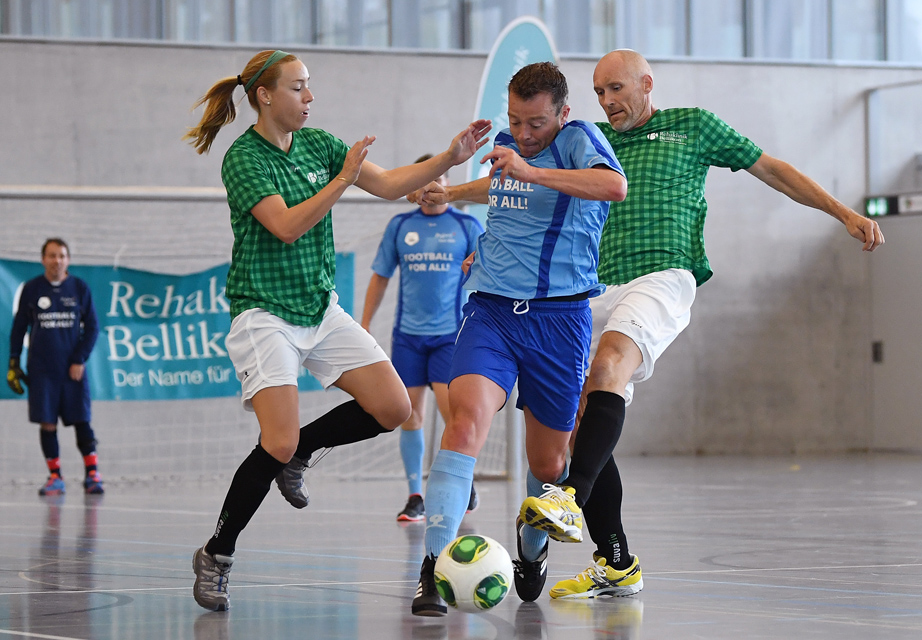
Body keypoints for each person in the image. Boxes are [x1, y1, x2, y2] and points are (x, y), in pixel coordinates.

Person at [520, 49, 885, 600]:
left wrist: (845, 214)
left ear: (646, 83)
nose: (607, 101)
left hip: (662, 276)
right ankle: (616, 561)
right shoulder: (590, 141)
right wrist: (455, 197)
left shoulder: (692, 125)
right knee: (575, 420)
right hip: (594, 286)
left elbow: (774, 170)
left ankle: (567, 497)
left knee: (608, 365)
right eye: (598, 93)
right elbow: (522, 185)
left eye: (615, 89)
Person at [182, 49, 490, 612]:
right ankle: (217, 553)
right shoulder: (243, 159)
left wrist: (450, 154)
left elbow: (394, 184)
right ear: (266, 96)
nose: (310, 97)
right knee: (276, 438)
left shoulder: (320, 143)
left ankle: (303, 455)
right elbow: (286, 226)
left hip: (318, 308)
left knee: (394, 408)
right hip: (264, 313)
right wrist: (343, 179)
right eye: (299, 88)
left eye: (310, 86)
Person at [408, 61, 627, 617]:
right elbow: (500, 186)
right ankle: (431, 571)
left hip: (559, 322)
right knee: (464, 422)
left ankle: (532, 553)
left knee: (549, 465)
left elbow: (613, 186)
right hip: (492, 313)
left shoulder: (579, 141)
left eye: (535, 123)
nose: (523, 134)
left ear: (562, 114)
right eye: (515, 121)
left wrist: (531, 171)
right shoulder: (510, 145)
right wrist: (450, 191)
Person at [360, 155, 484, 522]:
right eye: (424, 180)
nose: (430, 187)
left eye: (438, 179)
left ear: (447, 183)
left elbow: (485, 271)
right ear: (412, 185)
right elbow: (380, 276)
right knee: (410, 416)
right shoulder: (400, 226)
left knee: (454, 415)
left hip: (450, 336)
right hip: (408, 338)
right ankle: (415, 494)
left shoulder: (465, 224)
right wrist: (363, 324)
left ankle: (463, 479)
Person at [8, 238, 104, 496]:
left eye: (61, 255)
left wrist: (79, 359)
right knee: (47, 423)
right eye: (51, 256)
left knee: (82, 420)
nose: (57, 260)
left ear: (68, 260)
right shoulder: (32, 289)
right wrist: (13, 360)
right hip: (42, 371)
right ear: (43, 260)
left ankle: (93, 474)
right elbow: (18, 328)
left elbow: (93, 328)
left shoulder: (79, 288)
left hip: (72, 371)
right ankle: (55, 477)